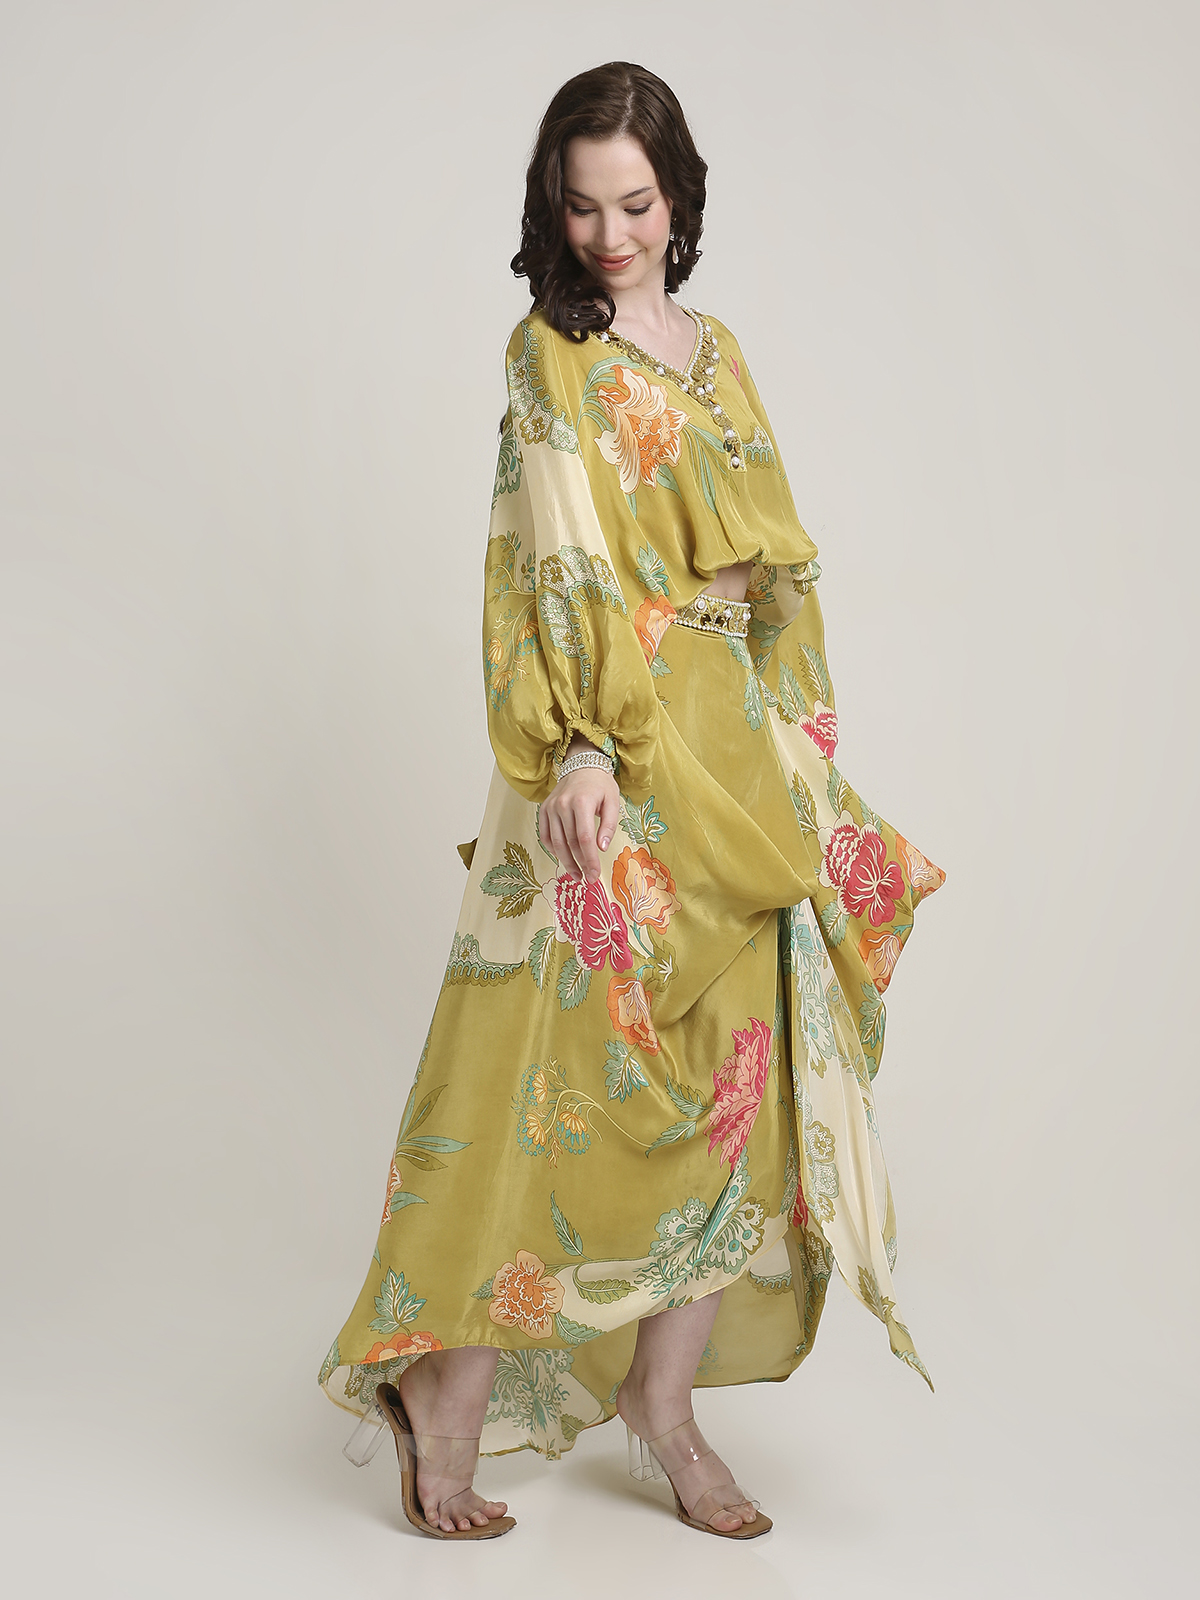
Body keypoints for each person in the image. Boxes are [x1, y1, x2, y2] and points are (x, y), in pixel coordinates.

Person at [318, 60, 945, 1542]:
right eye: (584, 206)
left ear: (682, 199)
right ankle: (444, 1397)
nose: (611, 236)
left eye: (638, 203)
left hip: (735, 753)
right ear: (553, 209)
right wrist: (583, 749)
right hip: (613, 751)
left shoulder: (719, 353)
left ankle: (667, 1410)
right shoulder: (551, 353)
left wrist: (799, 757)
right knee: (529, 1078)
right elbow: (550, 560)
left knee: (739, 1089)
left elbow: (776, 568)